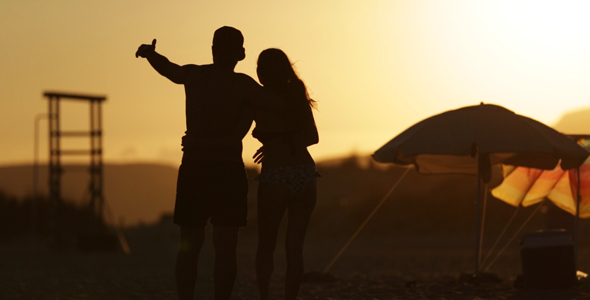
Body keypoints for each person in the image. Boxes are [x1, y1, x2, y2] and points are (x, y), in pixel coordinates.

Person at [135, 27, 281, 300]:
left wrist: (150, 54)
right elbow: (280, 105)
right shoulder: (244, 85)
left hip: (196, 167)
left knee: (190, 247)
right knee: (224, 249)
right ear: (242, 53)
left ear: (213, 50)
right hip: (223, 171)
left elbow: (169, 69)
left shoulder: (196, 75)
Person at [252, 48, 319, 300]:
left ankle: (265, 297)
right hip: (304, 173)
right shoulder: (297, 95)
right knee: (294, 248)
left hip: (276, 174)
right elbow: (312, 136)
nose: (257, 71)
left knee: (266, 245)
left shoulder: (259, 98)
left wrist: (276, 143)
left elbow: (311, 136)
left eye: (260, 66)